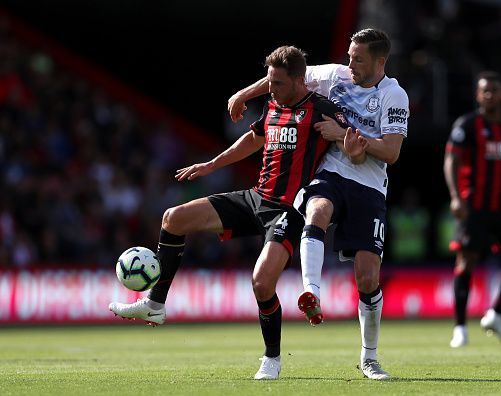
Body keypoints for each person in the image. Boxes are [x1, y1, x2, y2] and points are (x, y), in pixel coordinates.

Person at [109, 46, 359, 380]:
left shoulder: (321, 109)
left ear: (300, 81)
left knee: (261, 282)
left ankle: (272, 358)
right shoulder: (273, 104)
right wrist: (211, 164)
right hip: (255, 198)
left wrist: (346, 140)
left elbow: (353, 144)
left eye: (279, 83)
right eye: (269, 82)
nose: (271, 89)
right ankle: (155, 304)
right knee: (173, 218)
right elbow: (252, 141)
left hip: (289, 209)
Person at [229, 28, 409, 380]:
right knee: (318, 209)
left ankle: (369, 358)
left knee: (367, 276)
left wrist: (345, 137)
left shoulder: (394, 95)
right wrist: (243, 94)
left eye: (358, 59)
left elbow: (391, 151)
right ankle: (311, 291)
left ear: (380, 61)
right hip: (331, 173)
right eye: (349, 55)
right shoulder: (334, 75)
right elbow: (281, 76)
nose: (350, 63)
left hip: (370, 187)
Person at [443, 71, 501, 348]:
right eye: (485, 90)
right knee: (466, 263)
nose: (490, 95)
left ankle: (495, 314)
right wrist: (456, 197)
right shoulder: (468, 125)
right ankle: (460, 328)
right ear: (478, 95)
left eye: (494, 90)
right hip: (475, 207)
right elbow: (451, 161)